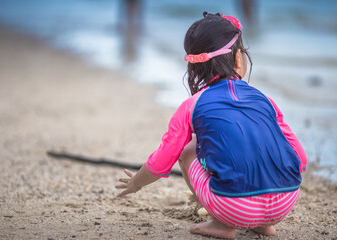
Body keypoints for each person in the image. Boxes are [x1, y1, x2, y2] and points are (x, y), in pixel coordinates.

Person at [115, 12, 307, 239]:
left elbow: (162, 160)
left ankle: (221, 224)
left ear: (194, 65)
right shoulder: (265, 100)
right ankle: (264, 225)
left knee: (188, 149)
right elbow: (300, 159)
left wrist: (137, 182)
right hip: (285, 201)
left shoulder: (192, 105)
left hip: (234, 209)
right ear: (238, 60)